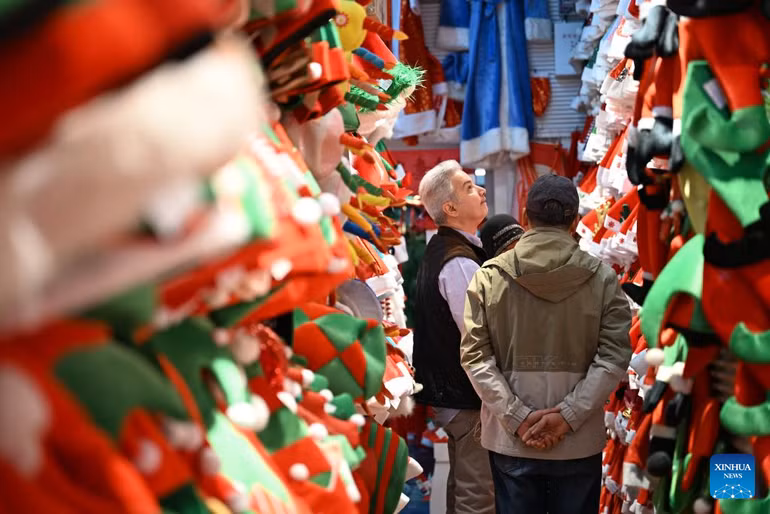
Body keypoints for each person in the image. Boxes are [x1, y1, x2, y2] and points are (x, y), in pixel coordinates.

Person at [461, 174, 632, 514]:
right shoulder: (602, 278)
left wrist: (518, 417)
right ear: (574, 220)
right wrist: (568, 415)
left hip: (513, 441)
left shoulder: (489, 277)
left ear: (526, 217)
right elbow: (614, 357)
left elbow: (475, 358)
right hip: (577, 440)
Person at [412, 160, 494, 514]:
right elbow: (477, 338)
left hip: (455, 394)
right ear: (450, 208)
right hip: (465, 396)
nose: (481, 190)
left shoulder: (447, 251)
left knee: (465, 483)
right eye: (469, 187)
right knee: (478, 493)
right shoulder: (459, 262)